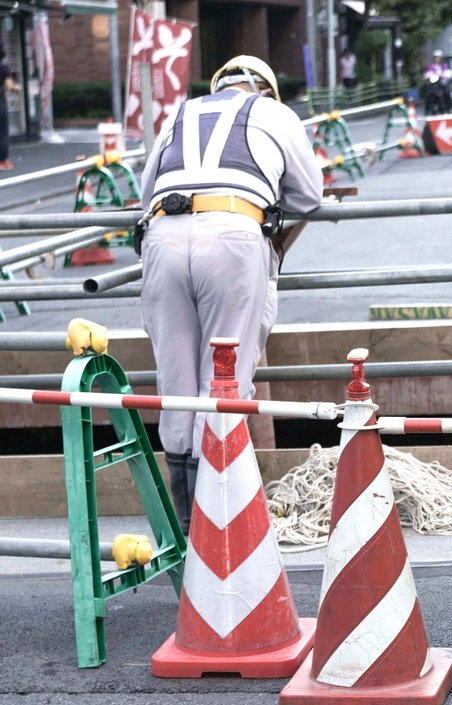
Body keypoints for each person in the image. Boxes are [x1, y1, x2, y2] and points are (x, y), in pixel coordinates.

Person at [136, 55, 323, 533]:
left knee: (175, 385)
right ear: (264, 89)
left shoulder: (178, 114)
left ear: (218, 86)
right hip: (234, 234)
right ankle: (218, 525)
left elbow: (145, 194)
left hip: (163, 234)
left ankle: (182, 525)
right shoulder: (274, 113)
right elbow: (308, 196)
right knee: (224, 380)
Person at [0, 46, 22, 171]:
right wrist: (17, 88)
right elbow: (9, 87)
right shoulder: (4, 67)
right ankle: (3, 160)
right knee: (2, 132)